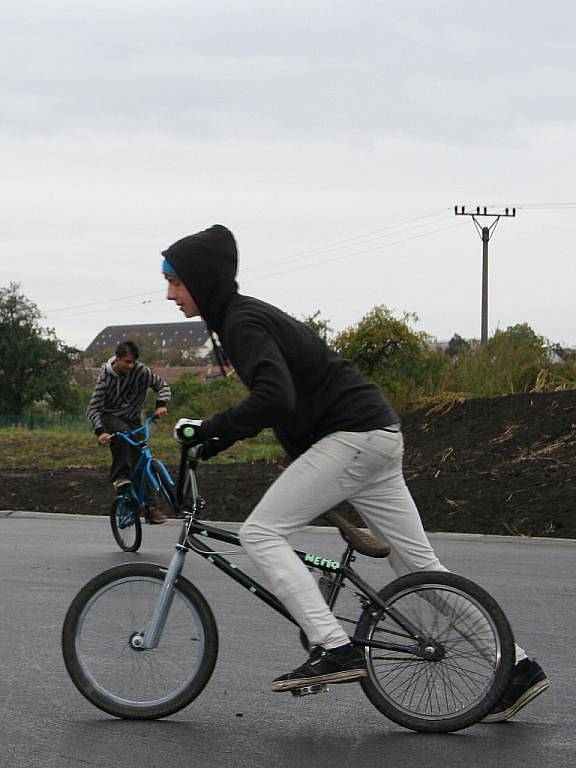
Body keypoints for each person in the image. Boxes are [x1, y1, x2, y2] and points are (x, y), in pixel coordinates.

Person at [161, 224, 549, 722]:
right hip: (378, 434)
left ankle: (334, 647)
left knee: (260, 533)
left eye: (176, 281)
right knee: (420, 571)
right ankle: (516, 669)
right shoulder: (241, 317)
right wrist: (217, 438)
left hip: (352, 438)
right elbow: (281, 400)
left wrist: (211, 428)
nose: (170, 294)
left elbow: (275, 397)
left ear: (201, 278)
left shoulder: (241, 322)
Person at [86, 340, 172, 524]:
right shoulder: (105, 378)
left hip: (133, 419)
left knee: (142, 459)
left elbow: (162, 386)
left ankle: (151, 508)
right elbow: (93, 409)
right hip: (110, 417)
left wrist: (161, 404)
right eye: (127, 361)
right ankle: (120, 477)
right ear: (117, 359)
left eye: (133, 362)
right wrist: (100, 432)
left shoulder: (141, 371)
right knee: (123, 434)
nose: (130, 366)